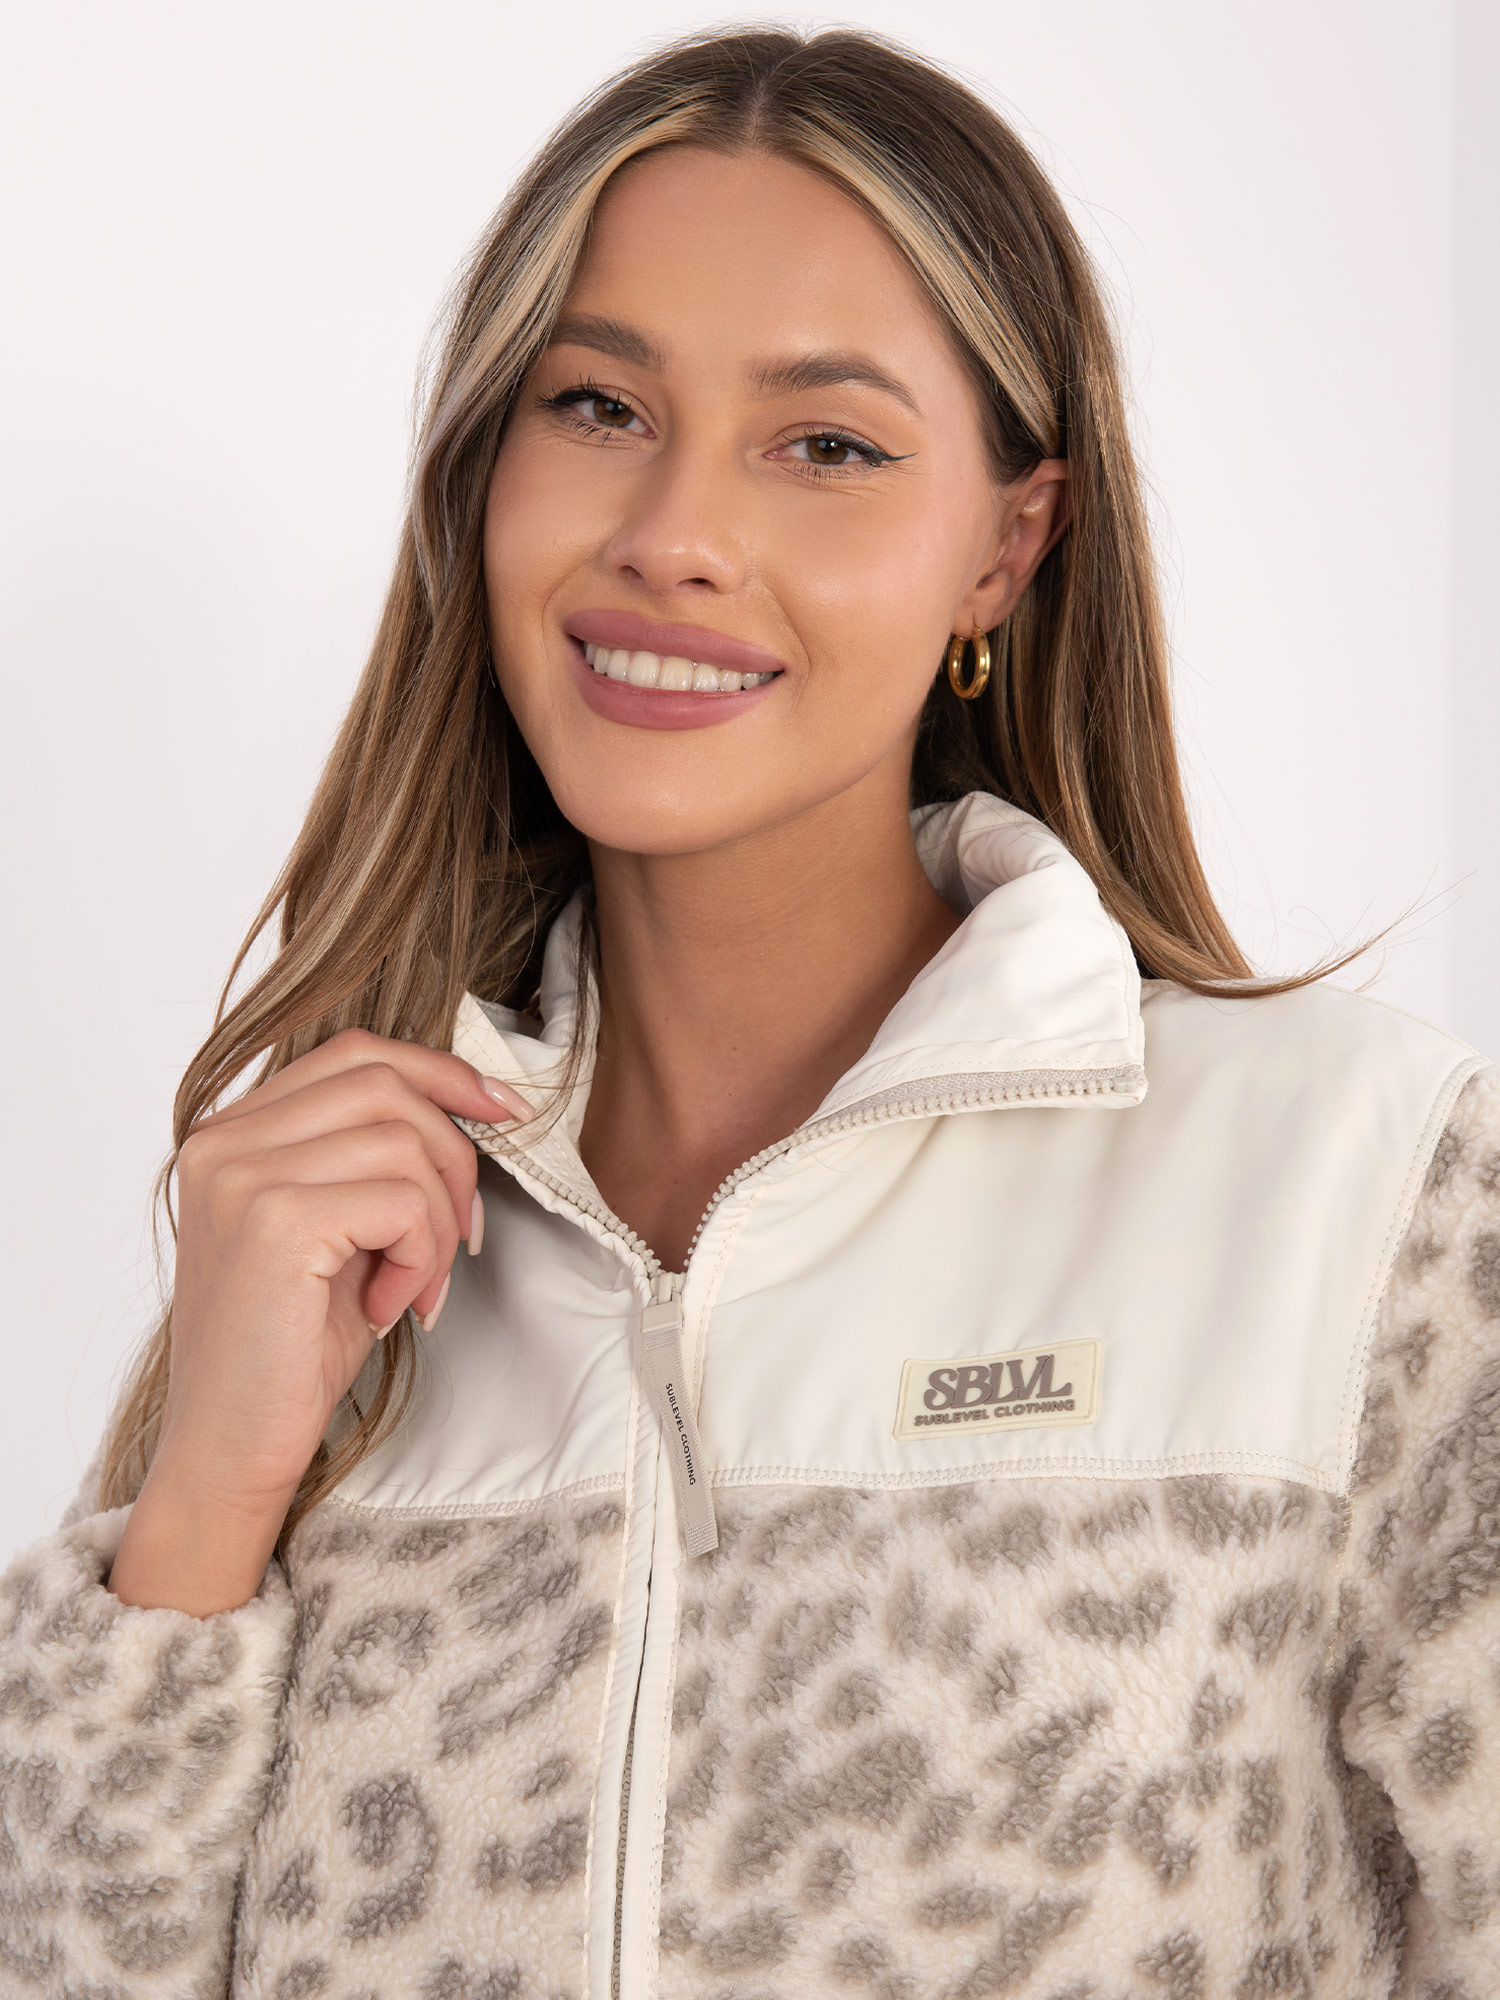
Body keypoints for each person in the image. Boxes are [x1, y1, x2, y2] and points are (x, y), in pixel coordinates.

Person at [3, 26, 1495, 2000]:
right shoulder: (341, 1251)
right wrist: (204, 1500)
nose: (675, 532)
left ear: (1006, 546)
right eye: (598, 405)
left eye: (828, 445)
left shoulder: (1360, 1192)